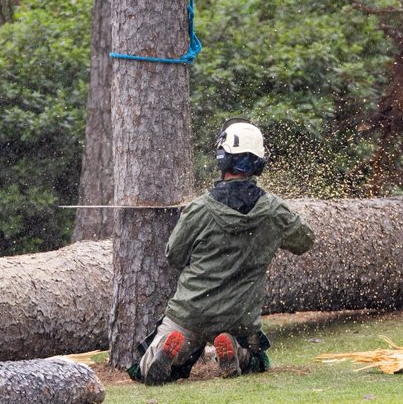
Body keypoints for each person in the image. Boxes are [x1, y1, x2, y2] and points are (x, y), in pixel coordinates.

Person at [133, 119, 315, 384]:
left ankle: (165, 351)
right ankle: (237, 353)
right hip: (239, 316)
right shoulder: (275, 211)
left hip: (190, 312)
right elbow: (304, 241)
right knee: (257, 361)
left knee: (145, 370)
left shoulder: (199, 209)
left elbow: (174, 255)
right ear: (258, 163)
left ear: (222, 158)